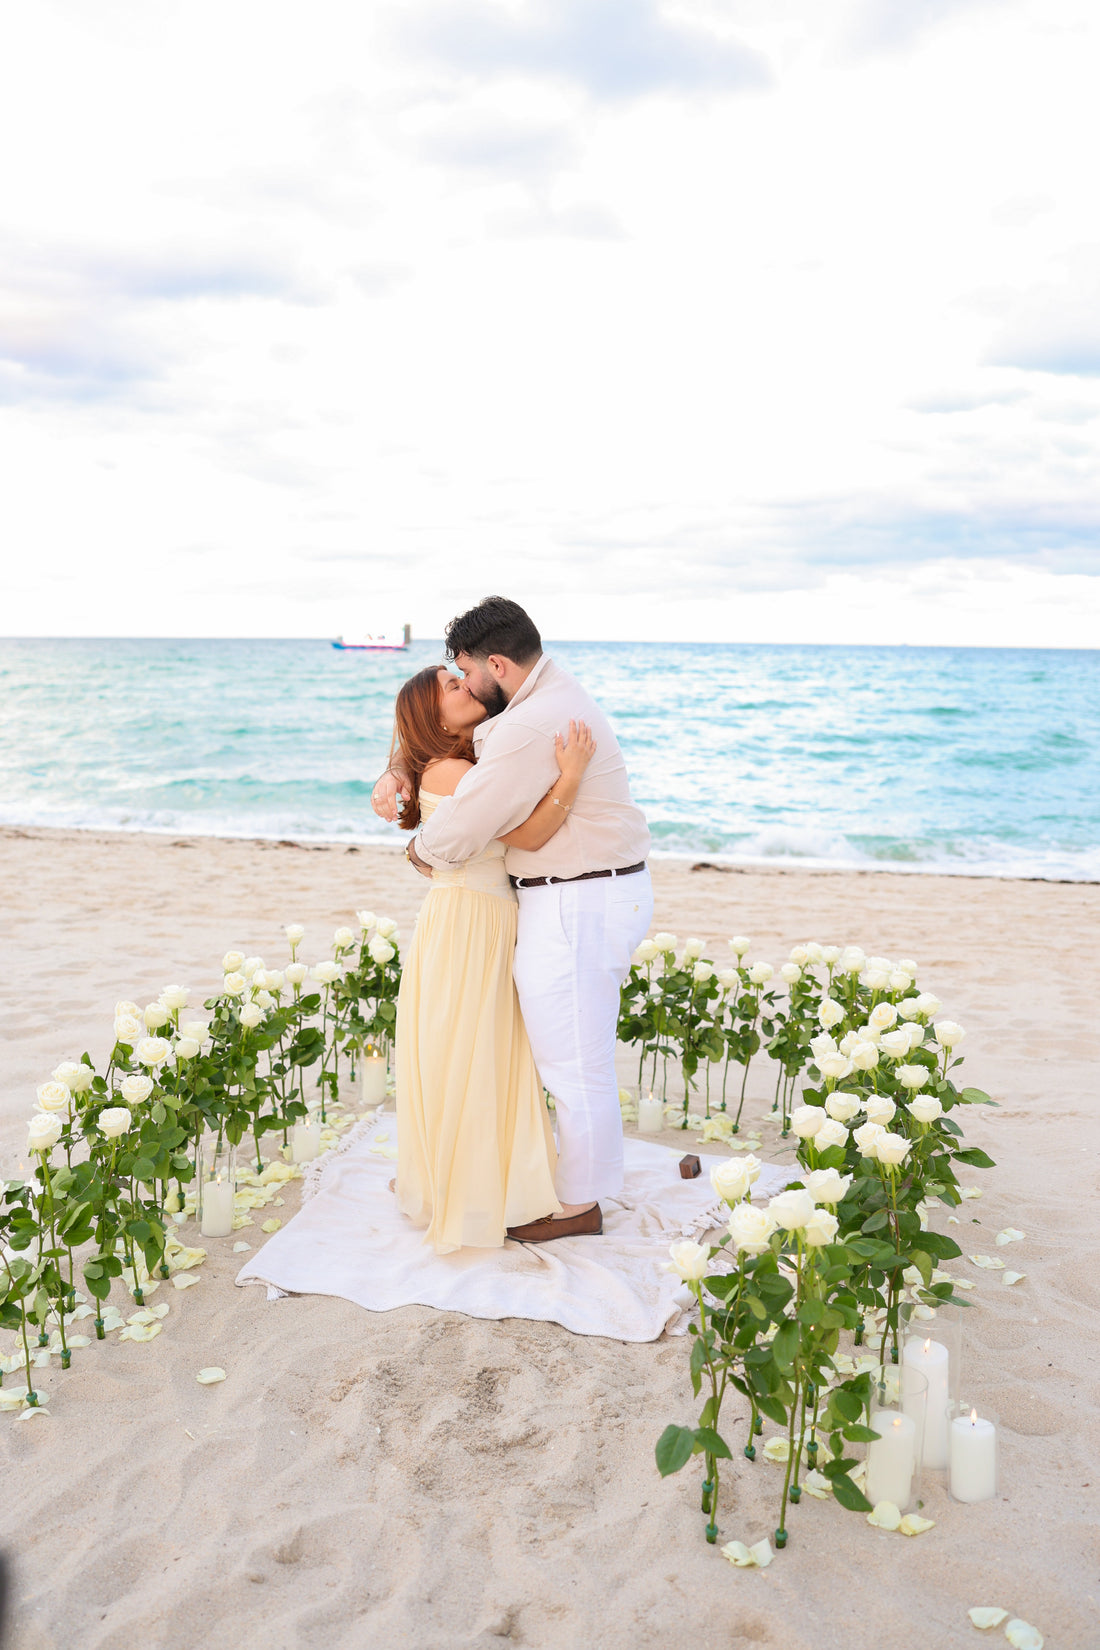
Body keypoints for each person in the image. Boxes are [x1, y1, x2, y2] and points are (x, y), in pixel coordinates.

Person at [373, 597, 653, 1243]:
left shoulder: (525, 728)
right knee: (534, 1055)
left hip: (574, 901)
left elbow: (462, 831)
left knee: (566, 1063)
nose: (465, 683)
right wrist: (398, 769)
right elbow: (446, 774)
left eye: (464, 671)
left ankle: (578, 1203)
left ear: (497, 663)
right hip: (546, 901)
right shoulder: (539, 704)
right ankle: (536, 1183)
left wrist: (422, 849)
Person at [390, 663, 597, 1253]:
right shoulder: (454, 771)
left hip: (472, 915)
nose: (466, 687)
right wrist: (572, 777)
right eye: (451, 688)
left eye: (462, 677)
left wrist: (393, 771)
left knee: (469, 1049)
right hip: (470, 920)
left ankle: (462, 1178)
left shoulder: (458, 763)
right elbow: (528, 837)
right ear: (433, 717)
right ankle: (482, 1189)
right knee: (478, 1051)